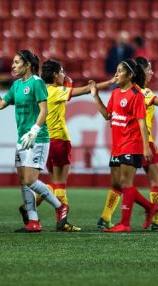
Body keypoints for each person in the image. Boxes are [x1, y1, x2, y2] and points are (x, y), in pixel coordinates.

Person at [0, 49, 76, 233]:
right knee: (23, 181)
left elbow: (44, 110)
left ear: (28, 65)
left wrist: (34, 130)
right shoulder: (17, 85)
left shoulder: (37, 83)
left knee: (30, 179)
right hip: (22, 139)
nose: (13, 65)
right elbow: (0, 104)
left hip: (38, 138)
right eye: (13, 62)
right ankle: (33, 221)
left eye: (17, 62)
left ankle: (60, 206)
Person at [38, 59, 113, 224]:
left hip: (44, 141)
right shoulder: (57, 91)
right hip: (59, 139)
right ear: (56, 74)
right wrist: (110, 81)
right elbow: (87, 89)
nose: (64, 75)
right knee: (61, 184)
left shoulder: (40, 90)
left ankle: (30, 205)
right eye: (62, 72)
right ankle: (62, 220)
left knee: (53, 182)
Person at [98, 57, 158, 230]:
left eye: (120, 71)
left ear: (130, 74)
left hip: (134, 142)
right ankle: (150, 208)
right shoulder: (115, 93)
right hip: (118, 144)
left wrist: (145, 147)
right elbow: (108, 115)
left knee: (128, 183)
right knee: (120, 183)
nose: (116, 74)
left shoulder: (139, 94)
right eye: (116, 71)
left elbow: (143, 123)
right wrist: (94, 95)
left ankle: (126, 223)